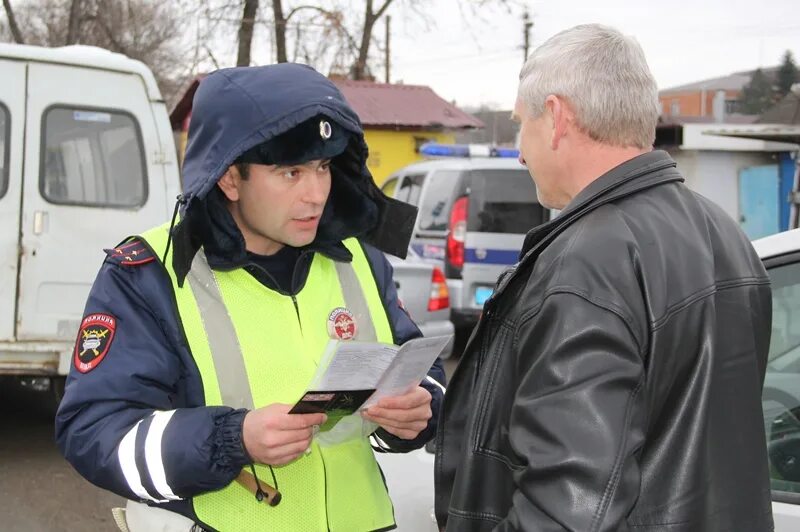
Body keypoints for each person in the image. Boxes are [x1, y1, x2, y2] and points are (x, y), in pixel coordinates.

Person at [55, 63, 446, 532]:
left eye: (323, 168)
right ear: (229, 179)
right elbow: (94, 432)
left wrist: (417, 411)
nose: (316, 194)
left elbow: (423, 376)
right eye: (291, 172)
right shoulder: (148, 274)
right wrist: (232, 439)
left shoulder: (358, 259)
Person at [434, 23, 773, 532]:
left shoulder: (589, 260)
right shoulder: (724, 231)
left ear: (555, 117)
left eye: (520, 124)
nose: (521, 153)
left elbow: (566, 509)